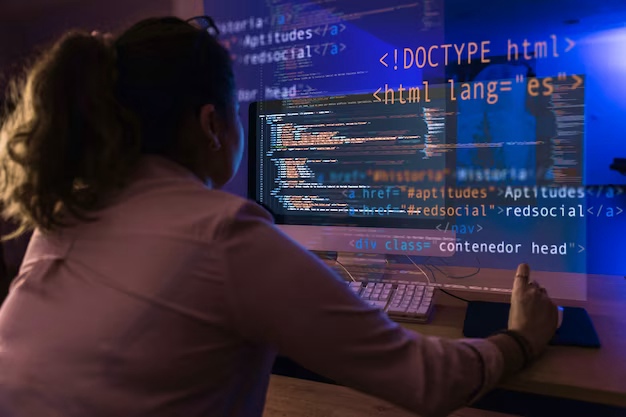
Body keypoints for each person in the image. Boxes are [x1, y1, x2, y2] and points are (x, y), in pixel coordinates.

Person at [0, 16, 558, 417]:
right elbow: (426, 382)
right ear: (212, 124)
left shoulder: (63, 216)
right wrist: (522, 339)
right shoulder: (223, 235)